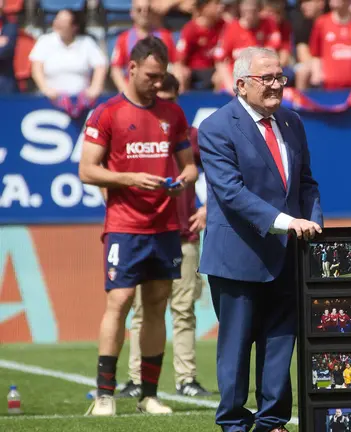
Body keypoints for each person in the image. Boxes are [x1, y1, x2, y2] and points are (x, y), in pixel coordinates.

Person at [197, 47, 323, 432]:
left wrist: (313, 224)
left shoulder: (292, 122)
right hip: (238, 254)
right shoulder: (215, 127)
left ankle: (272, 422)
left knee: (280, 344)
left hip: (288, 254)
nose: (275, 85)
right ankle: (234, 424)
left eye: (279, 77)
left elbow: (305, 182)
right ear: (240, 84)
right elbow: (231, 193)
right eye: (265, 78)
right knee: (235, 348)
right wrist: (287, 222)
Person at [78, 36, 198, 416]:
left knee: (157, 305)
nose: (156, 83)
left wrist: (185, 180)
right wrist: (130, 179)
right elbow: (87, 170)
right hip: (125, 225)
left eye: (161, 76)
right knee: (119, 301)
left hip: (165, 226)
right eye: (150, 75)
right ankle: (105, 395)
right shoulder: (106, 112)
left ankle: (149, 395)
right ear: (131, 69)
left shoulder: (173, 115)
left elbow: (190, 164)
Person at [116, 73, 212, 399]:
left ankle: (186, 378)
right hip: (148, 233)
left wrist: (209, 208)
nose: (163, 106)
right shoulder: (135, 131)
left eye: (169, 100)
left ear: (177, 98)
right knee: (142, 311)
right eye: (160, 99)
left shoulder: (190, 135)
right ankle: (136, 380)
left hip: (184, 235)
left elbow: (222, 171)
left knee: (183, 310)